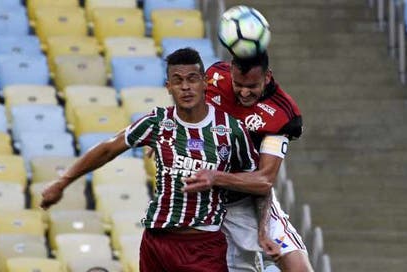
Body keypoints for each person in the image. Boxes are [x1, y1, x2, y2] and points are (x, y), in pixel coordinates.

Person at [40, 48, 268, 272]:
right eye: (177, 81)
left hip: (203, 244)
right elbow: (108, 149)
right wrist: (63, 182)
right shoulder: (158, 122)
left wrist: (262, 228)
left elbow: (258, 183)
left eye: (192, 79)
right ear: (168, 87)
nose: (186, 87)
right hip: (157, 241)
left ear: (205, 82)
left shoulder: (231, 129)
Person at [184, 51, 313, 272]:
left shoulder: (282, 113)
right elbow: (186, 107)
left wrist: (216, 177)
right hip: (204, 203)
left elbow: (264, 181)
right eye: (238, 84)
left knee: (299, 268)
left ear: (267, 77)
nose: (244, 92)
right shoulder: (215, 77)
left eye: (252, 86)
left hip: (249, 200)